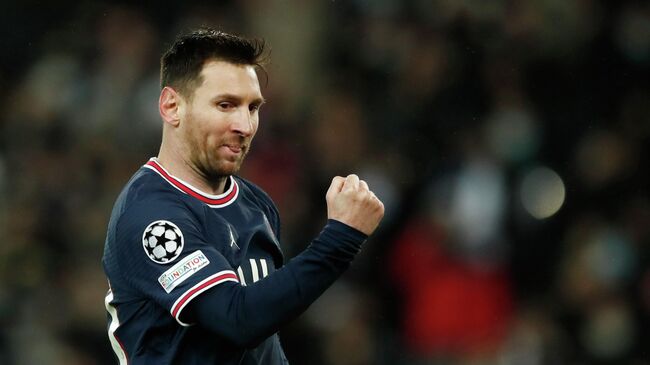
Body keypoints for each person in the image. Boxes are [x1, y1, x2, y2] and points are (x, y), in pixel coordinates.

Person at [102, 28, 384, 364]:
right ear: (171, 106)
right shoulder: (151, 216)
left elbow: (264, 336)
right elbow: (239, 320)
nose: (245, 125)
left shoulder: (256, 204)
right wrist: (342, 237)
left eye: (253, 107)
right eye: (225, 105)